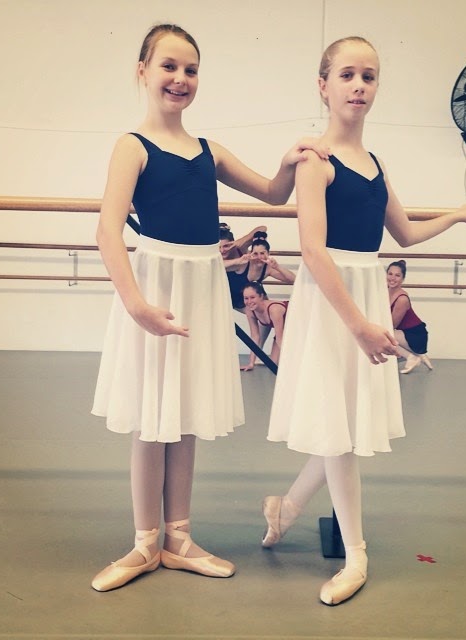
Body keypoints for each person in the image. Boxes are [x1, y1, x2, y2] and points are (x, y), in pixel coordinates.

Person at [90, 23, 328, 592]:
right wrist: (136, 304)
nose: (180, 78)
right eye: (168, 66)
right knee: (152, 418)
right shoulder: (132, 146)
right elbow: (106, 231)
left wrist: (290, 160)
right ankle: (144, 541)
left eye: (191, 70)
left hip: (199, 283)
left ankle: (178, 538)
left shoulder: (208, 151)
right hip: (155, 284)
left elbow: (272, 192)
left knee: (186, 414)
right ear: (142, 71)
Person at [263, 36, 466, 606]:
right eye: (346, 75)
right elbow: (312, 249)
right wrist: (360, 324)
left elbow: (404, 233)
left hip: (363, 287)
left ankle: (286, 509)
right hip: (333, 298)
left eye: (368, 76)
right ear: (323, 86)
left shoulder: (375, 164)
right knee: (340, 431)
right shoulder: (315, 162)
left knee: (343, 422)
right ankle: (357, 555)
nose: (358, 86)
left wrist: (456, 215)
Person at [224, 230, 296, 311]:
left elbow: (293, 280)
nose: (259, 257)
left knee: (272, 308)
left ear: (268, 254)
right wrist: (238, 261)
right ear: (251, 253)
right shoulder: (243, 263)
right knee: (262, 311)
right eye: (255, 253)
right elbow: (218, 266)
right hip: (234, 299)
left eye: (262, 253)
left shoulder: (268, 268)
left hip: (250, 297)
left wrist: (277, 267)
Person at [387, 259, 433, 373]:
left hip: (416, 335)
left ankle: (411, 357)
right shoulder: (386, 291)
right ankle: (419, 354)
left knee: (384, 336)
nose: (392, 278)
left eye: (397, 275)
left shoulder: (402, 299)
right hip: (405, 333)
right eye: (390, 274)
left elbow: (392, 325)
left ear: (403, 279)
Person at [241, 281, 289, 371]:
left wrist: (290, 362)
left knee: (285, 363)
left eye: (252, 297)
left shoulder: (274, 310)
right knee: (273, 364)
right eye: (246, 298)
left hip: (297, 325)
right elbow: (255, 337)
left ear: (261, 296)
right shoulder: (249, 311)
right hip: (284, 330)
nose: (249, 301)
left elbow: (280, 338)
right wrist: (251, 363)